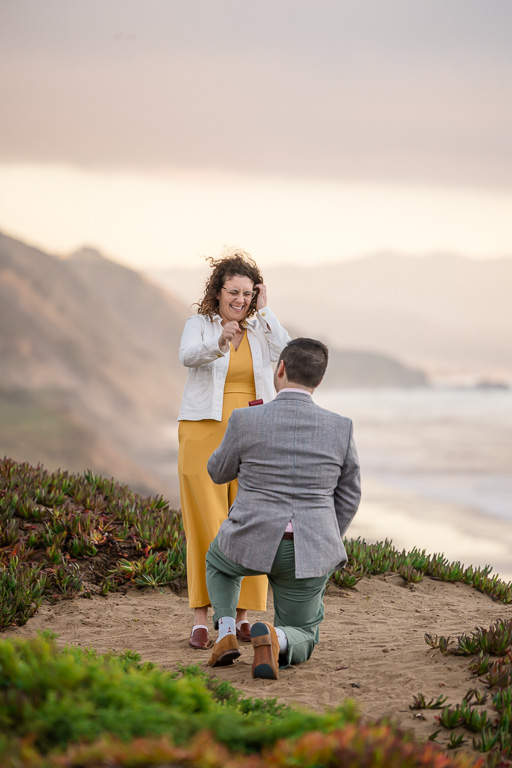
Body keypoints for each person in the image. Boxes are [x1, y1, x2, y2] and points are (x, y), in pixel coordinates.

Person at [204, 337, 361, 678]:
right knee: (305, 632)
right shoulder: (341, 427)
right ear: (318, 380)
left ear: (281, 369)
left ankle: (227, 632)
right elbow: (350, 495)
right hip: (307, 548)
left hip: (249, 537)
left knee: (218, 564)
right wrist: (323, 535)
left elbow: (217, 472)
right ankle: (277, 638)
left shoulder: (245, 419)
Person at [178, 249, 291, 650]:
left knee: (251, 521)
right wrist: (219, 342)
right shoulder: (200, 324)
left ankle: (243, 616)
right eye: (233, 292)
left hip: (253, 434)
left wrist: (268, 310)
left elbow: (288, 353)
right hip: (202, 431)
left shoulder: (262, 328)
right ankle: (201, 619)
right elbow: (186, 356)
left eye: (248, 293)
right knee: (206, 525)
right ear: (218, 290)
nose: (240, 300)